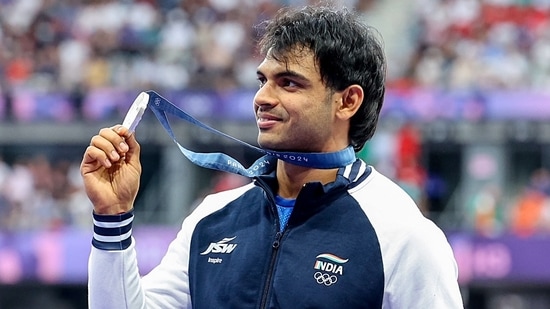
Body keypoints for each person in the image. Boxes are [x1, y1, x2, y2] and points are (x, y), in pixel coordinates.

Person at [81, 5, 464, 308]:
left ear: (347, 101)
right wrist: (112, 216)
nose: (263, 98)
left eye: (289, 83)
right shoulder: (210, 220)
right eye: (263, 80)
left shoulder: (402, 236)